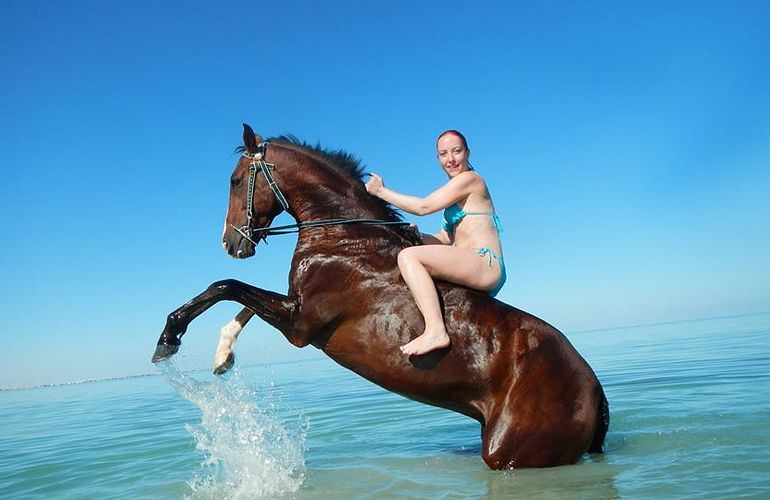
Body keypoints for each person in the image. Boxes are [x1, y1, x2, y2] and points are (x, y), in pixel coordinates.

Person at [365, 130, 506, 355]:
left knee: (409, 257)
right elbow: (443, 239)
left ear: (467, 152)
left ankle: (436, 331)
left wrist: (380, 191)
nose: (450, 159)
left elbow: (423, 207)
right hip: (472, 262)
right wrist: (416, 237)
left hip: (485, 263)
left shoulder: (470, 180)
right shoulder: (456, 203)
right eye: (443, 154)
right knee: (410, 249)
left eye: (456, 151)